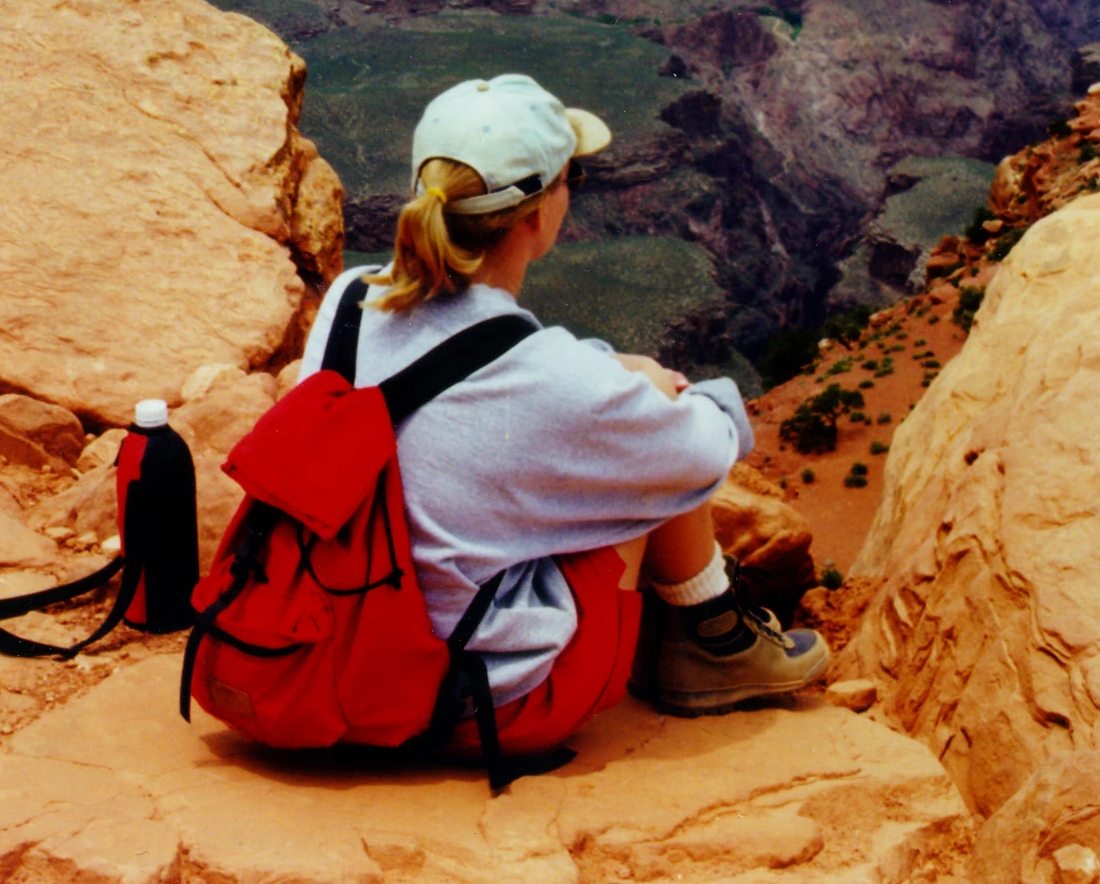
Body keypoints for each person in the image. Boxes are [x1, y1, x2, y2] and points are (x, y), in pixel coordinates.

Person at [299, 73, 828, 759]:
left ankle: (708, 637)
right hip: (477, 703)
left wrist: (607, 372)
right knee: (652, 432)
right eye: (568, 176)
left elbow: (488, 368)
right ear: (534, 216)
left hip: (330, 650)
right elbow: (701, 452)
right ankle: (711, 639)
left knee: (619, 418)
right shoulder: (548, 378)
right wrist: (668, 388)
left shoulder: (346, 299)